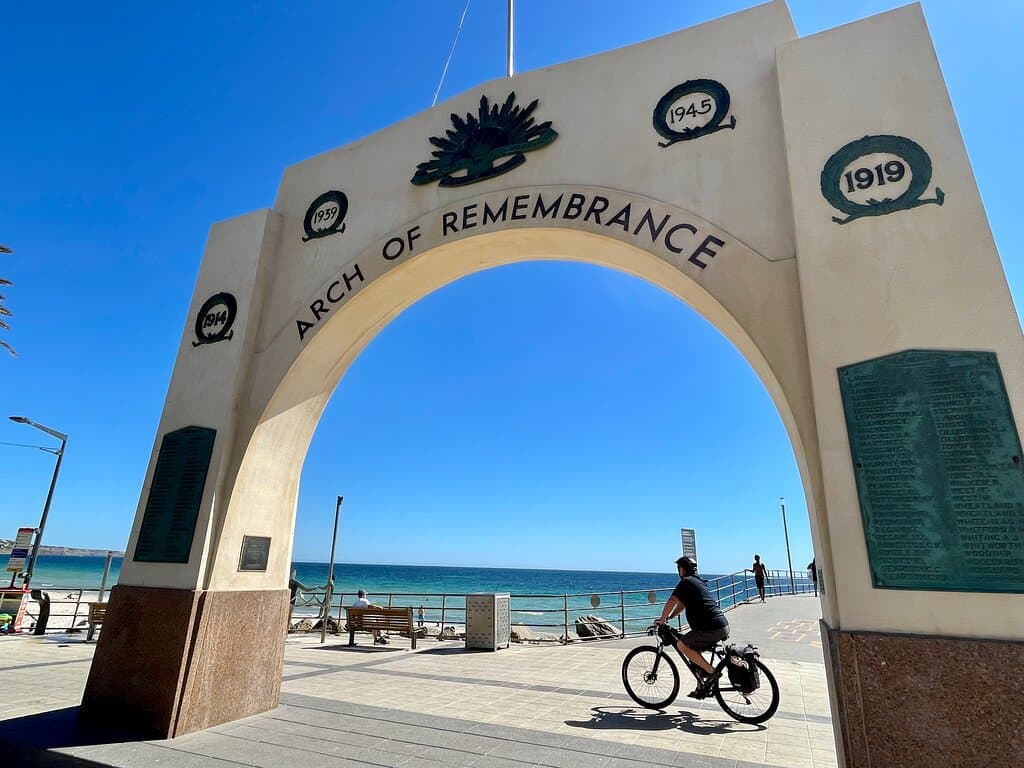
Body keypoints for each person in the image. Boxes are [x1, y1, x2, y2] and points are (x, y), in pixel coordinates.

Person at [654, 556, 730, 699]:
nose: (678, 571)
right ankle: (701, 685)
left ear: (682, 569)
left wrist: (662, 619)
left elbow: (672, 600)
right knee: (693, 653)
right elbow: (681, 605)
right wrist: (669, 617)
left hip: (710, 629)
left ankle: (712, 672)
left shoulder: (686, 582)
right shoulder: (697, 582)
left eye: (679, 568)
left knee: (682, 644)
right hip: (721, 625)